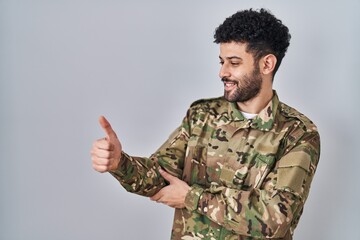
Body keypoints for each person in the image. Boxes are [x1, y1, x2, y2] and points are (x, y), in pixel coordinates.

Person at [90, 8, 320, 240]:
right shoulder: (202, 115)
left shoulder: (297, 133)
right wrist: (120, 163)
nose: (222, 72)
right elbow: (160, 177)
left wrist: (192, 197)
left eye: (234, 62)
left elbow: (274, 219)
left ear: (267, 64)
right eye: (222, 61)